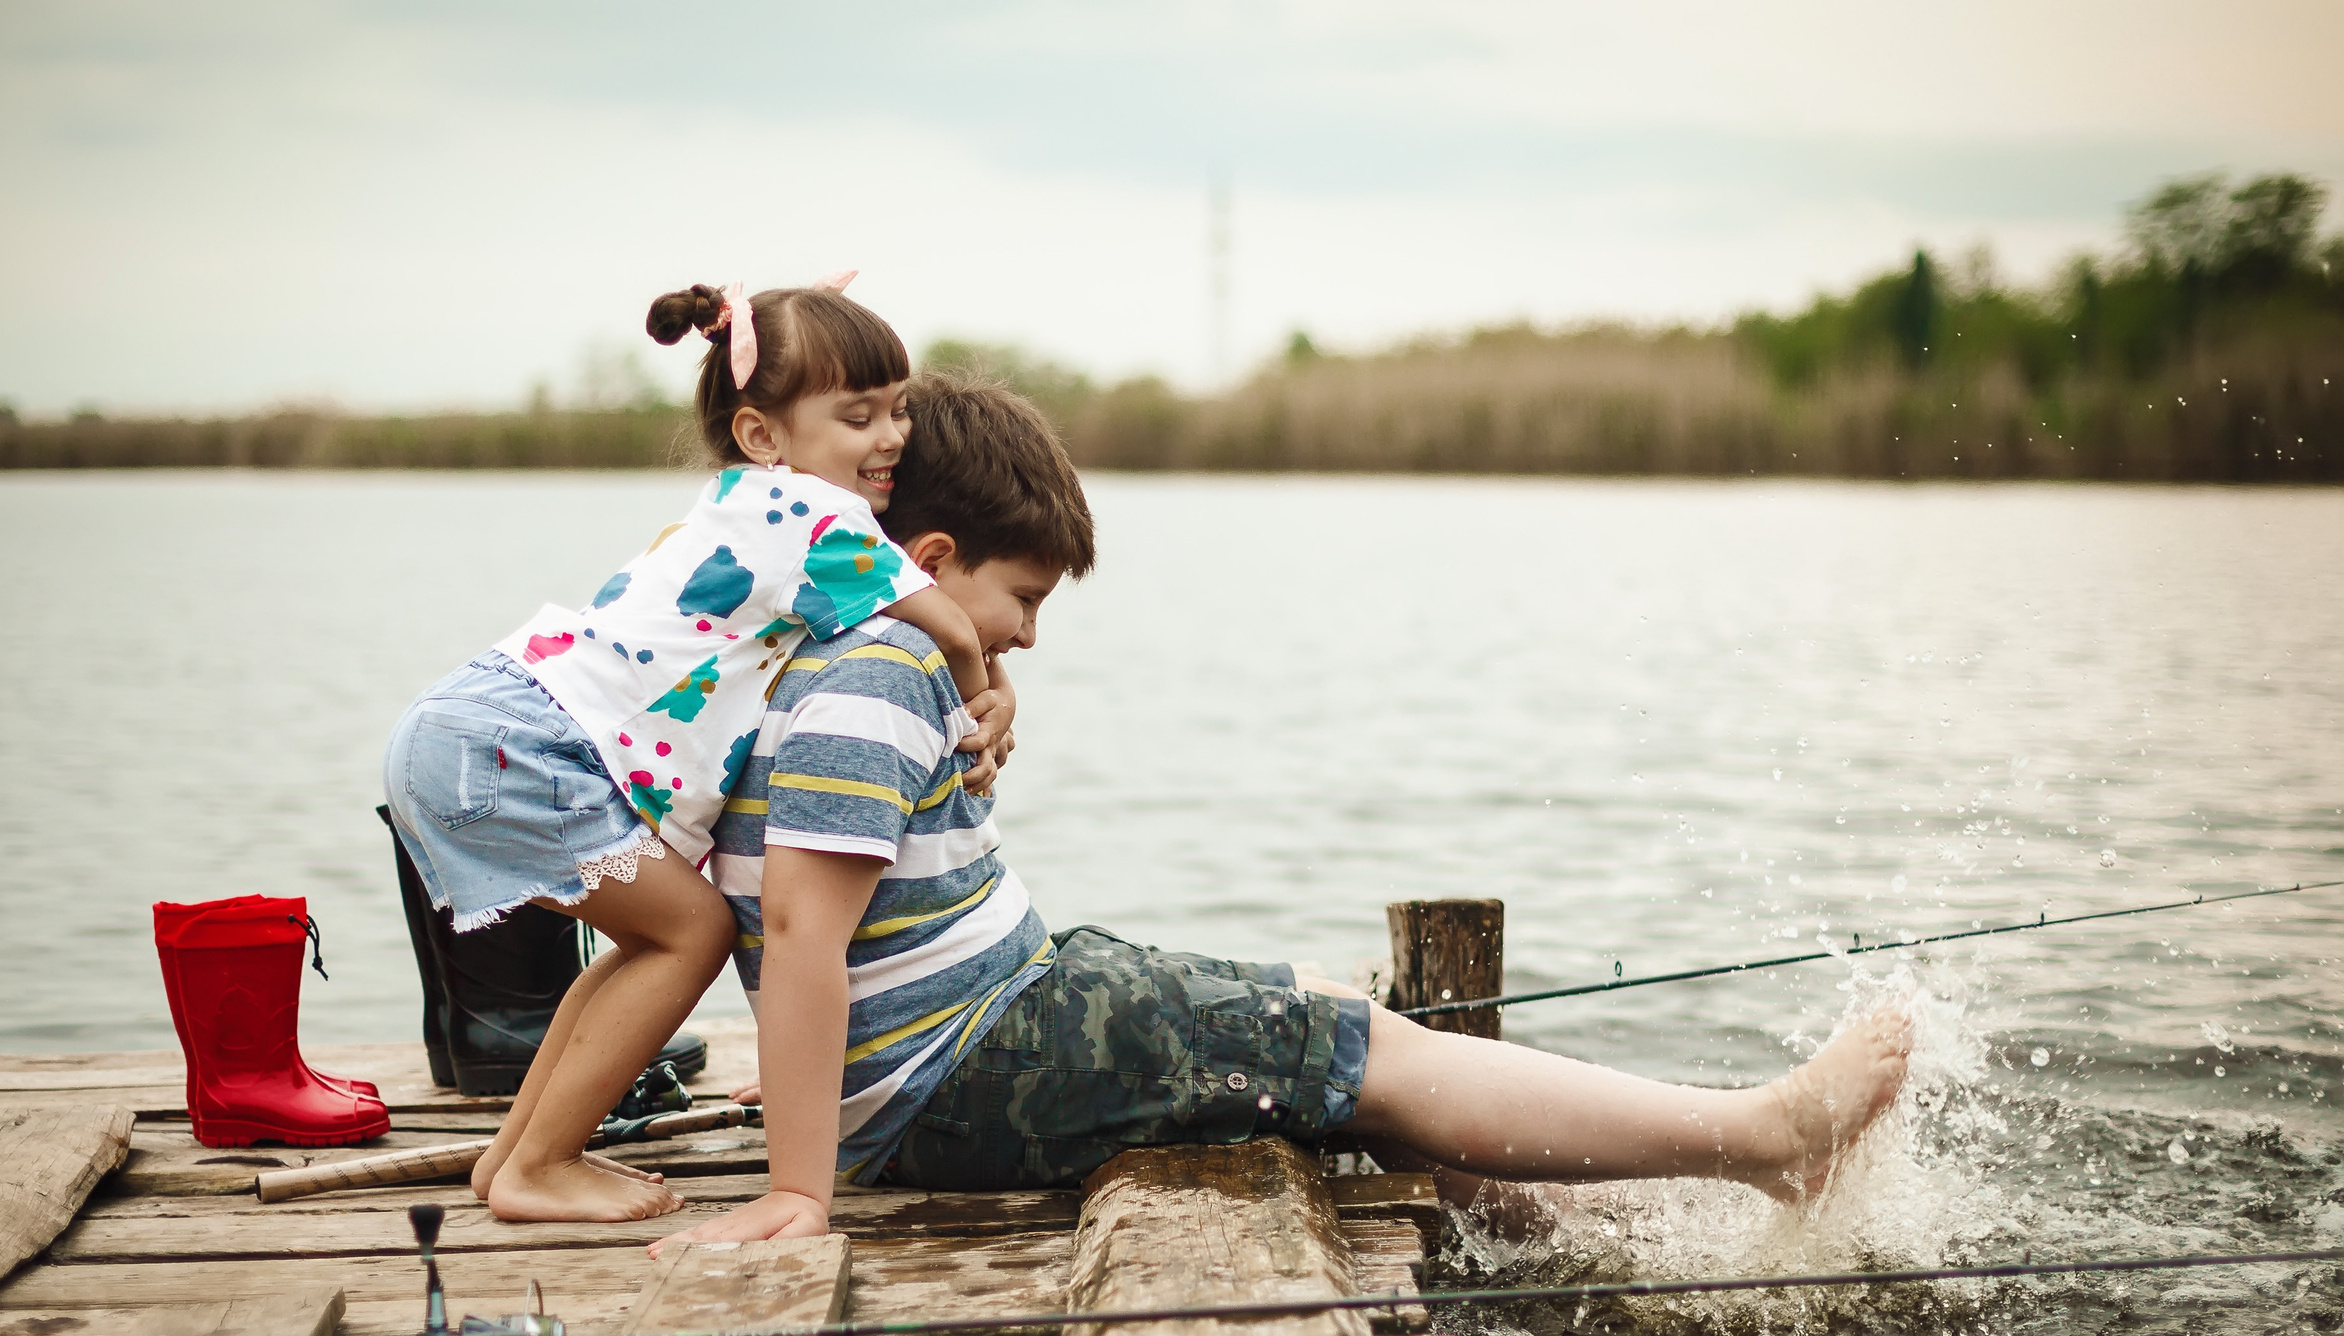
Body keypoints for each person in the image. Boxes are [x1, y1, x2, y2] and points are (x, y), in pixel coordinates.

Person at [655, 372, 1910, 1252]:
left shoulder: (842, 648)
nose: (1028, 635)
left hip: (986, 1023)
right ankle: (1759, 1139)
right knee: (1359, 1048)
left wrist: (980, 677)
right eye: (1022, 600)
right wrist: (802, 1183)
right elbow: (804, 937)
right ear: (925, 563)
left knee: (1318, 1031)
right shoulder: (874, 679)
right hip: (965, 1065)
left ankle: (1577, 1228)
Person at [383, 278, 1014, 1222]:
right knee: (698, 929)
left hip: (476, 724)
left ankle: (514, 1154)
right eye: (858, 416)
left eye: (899, 409)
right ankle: (539, 1166)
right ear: (765, 435)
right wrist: (985, 703)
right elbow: (955, 628)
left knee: (648, 936)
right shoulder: (821, 517)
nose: (893, 437)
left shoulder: (734, 506)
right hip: (528, 744)